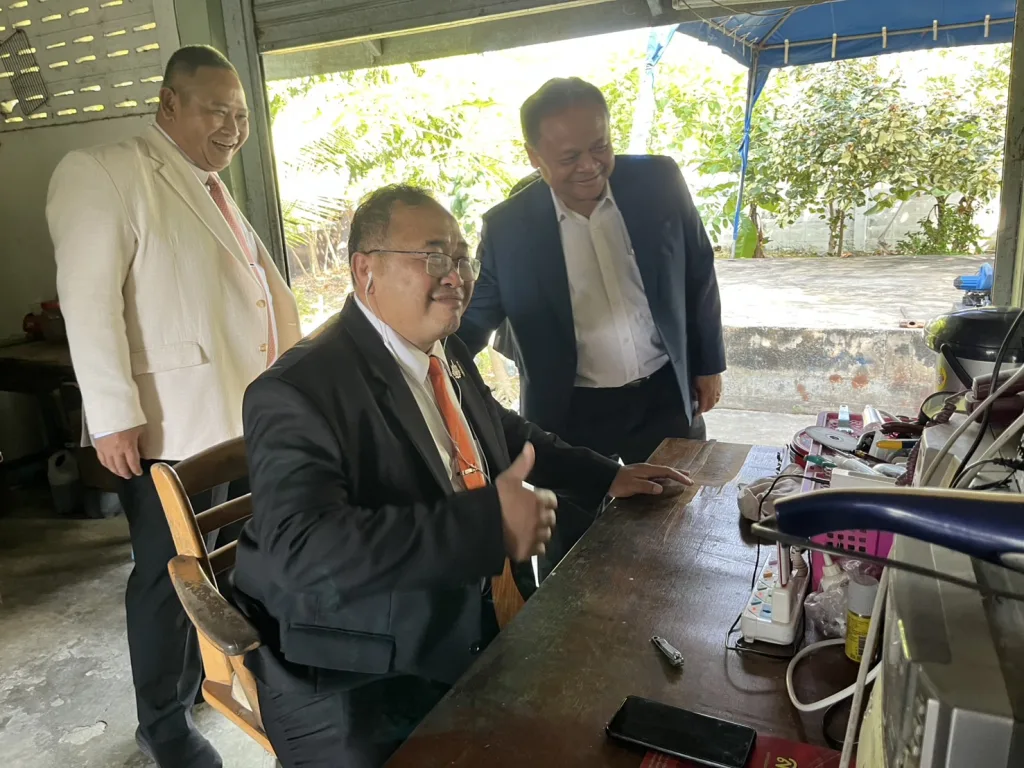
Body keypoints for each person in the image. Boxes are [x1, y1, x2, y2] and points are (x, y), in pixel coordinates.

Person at [230, 185, 691, 767]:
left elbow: (500, 431)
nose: (455, 276)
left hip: (465, 614)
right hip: (357, 667)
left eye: (461, 257)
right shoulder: (296, 392)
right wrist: (486, 524)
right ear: (365, 272)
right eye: (432, 257)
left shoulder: (438, 348)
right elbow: (303, 552)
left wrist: (605, 477)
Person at [46, 45, 301, 767]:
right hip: (165, 425)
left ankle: (196, 687)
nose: (233, 128)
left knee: (222, 565)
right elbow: (89, 302)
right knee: (170, 578)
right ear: (168, 103)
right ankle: (162, 725)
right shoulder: (105, 171)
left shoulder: (208, 184)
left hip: (233, 417)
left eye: (241, 115)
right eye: (217, 110)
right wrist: (112, 415)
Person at [457, 77, 726, 465]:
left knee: (678, 500)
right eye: (569, 157)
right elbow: (473, 320)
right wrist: (421, 369)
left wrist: (708, 365)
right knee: (580, 506)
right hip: (570, 412)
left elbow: (699, 270)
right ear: (534, 156)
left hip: (665, 394)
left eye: (600, 147)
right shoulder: (508, 227)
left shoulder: (659, 183)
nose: (589, 166)